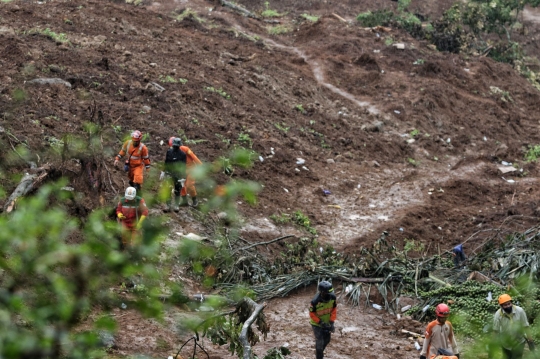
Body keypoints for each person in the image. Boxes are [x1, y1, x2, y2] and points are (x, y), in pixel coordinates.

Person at [493, 294, 533, 359]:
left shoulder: (520, 311)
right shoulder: (498, 315)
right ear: (501, 306)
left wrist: (530, 341)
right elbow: (495, 330)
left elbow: (526, 326)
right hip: (505, 343)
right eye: (505, 305)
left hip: (519, 341)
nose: (508, 306)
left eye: (509, 304)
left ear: (511, 303)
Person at [167, 136, 202, 207]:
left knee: (189, 185)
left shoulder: (185, 149)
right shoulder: (172, 152)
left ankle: (195, 200)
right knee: (181, 185)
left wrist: (200, 166)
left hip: (191, 169)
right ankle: (184, 200)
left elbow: (193, 157)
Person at [309, 281, 337, 359]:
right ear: (322, 292)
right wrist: (320, 322)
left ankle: (319, 353)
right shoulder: (315, 301)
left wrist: (332, 322)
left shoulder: (333, 298)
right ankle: (319, 356)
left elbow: (334, 310)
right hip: (316, 324)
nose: (330, 295)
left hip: (327, 322)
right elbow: (312, 314)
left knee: (327, 340)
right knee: (319, 343)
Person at [161, 137, 187, 212]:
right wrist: (163, 171)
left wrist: (183, 176)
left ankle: (176, 205)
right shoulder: (169, 152)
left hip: (178, 174)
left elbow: (183, 166)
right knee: (168, 189)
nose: (175, 147)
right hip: (169, 173)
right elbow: (166, 162)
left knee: (177, 190)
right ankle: (168, 205)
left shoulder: (183, 154)